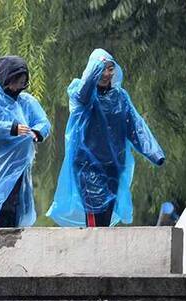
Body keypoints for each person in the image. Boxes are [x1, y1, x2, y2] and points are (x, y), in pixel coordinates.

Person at [47, 48, 165, 227]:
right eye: (101, 69)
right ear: (93, 71)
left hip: (114, 166)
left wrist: (155, 153)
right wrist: (96, 67)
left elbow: (135, 126)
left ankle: (100, 253)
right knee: (95, 218)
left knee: (106, 217)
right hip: (88, 167)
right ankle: (93, 252)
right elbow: (84, 92)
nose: (106, 74)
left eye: (110, 69)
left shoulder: (120, 97)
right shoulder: (82, 96)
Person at [0, 55, 51, 228]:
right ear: (5, 79)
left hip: (19, 169)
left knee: (15, 209)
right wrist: (11, 128)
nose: (19, 87)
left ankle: (12, 249)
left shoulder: (26, 102)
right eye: (16, 81)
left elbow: (43, 122)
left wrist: (37, 132)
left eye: (23, 82)